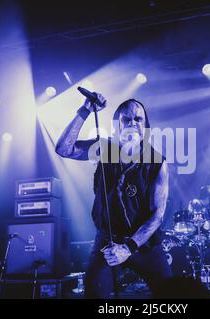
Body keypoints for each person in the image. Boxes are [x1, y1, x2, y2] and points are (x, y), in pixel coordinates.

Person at [56, 93, 172, 298]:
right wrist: (85, 111)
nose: (132, 124)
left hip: (144, 245)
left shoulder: (157, 162)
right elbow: (64, 149)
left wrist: (128, 248)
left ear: (145, 126)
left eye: (138, 119)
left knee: (172, 295)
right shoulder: (103, 149)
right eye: (126, 119)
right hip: (107, 243)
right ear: (116, 123)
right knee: (94, 290)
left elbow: (157, 215)